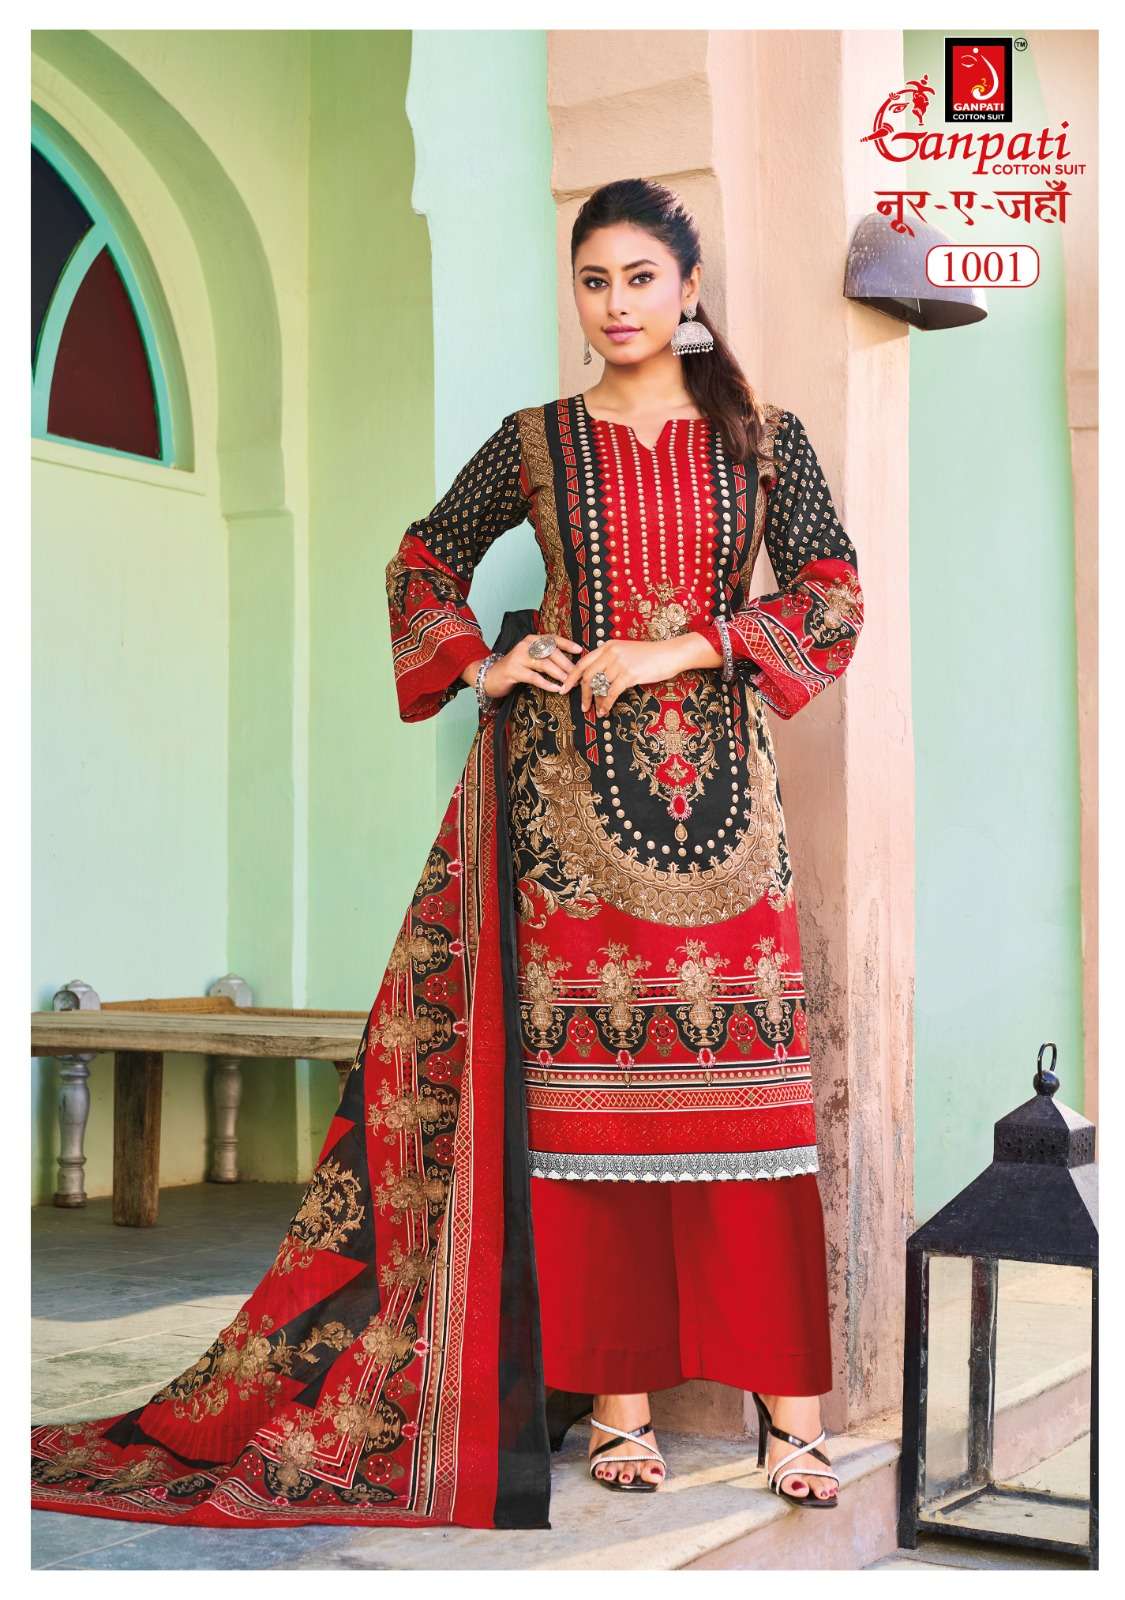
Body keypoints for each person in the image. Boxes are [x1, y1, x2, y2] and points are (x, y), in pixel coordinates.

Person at [31, 178, 863, 1530]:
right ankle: (620, 1406)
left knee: (751, 1116)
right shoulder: (534, 442)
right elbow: (423, 561)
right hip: (563, 821)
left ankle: (792, 1415)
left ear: (688, 288)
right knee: (588, 1126)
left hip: (729, 819)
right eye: (592, 279)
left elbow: (830, 597)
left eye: (640, 277)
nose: (616, 304)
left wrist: (684, 647)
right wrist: (486, 664)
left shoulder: (767, 442)